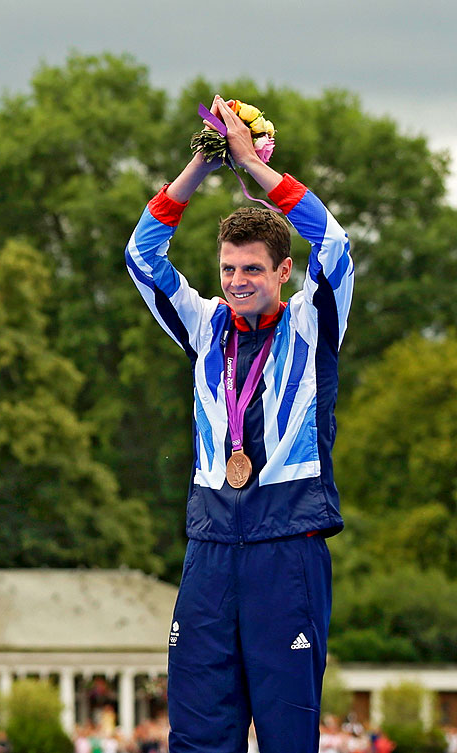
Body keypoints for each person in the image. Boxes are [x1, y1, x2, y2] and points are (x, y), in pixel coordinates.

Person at [125, 95, 353, 752]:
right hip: (210, 548)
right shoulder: (203, 325)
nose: (237, 281)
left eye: (252, 268)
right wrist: (201, 164)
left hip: (288, 544)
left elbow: (335, 244)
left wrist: (252, 166)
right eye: (228, 268)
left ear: (284, 269)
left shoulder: (313, 322)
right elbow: (142, 254)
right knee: (197, 734)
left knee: (286, 734)